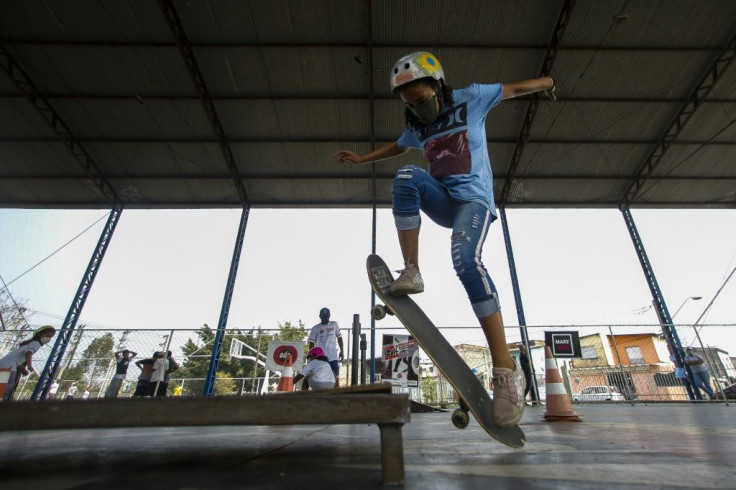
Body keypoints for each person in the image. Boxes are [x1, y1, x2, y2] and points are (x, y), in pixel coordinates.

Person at [334, 51, 556, 428]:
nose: (418, 110)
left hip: (474, 203)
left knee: (466, 261)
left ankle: (505, 374)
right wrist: (361, 159)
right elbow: (398, 147)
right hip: (443, 201)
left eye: (421, 101)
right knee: (406, 175)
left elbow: (517, 88)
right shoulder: (416, 126)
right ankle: (413, 270)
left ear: (437, 87)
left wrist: (548, 83)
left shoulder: (473, 98)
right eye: (409, 105)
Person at [0, 325, 56, 401]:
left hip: (4, 364)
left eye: (51, 337)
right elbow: (28, 353)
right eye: (48, 335)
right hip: (9, 367)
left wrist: (23, 370)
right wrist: (29, 365)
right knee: (6, 389)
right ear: (39, 334)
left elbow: (17, 361)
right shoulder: (36, 343)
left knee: (2, 387)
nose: (49, 338)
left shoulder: (29, 343)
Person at [308, 307, 344, 387]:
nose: (325, 319)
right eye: (324, 317)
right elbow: (312, 343)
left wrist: (342, 351)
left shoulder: (334, 324)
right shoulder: (315, 328)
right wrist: (311, 356)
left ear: (329, 316)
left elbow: (339, 338)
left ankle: (336, 397)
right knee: (319, 378)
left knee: (335, 378)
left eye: (327, 317)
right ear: (320, 316)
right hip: (321, 358)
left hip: (333, 357)